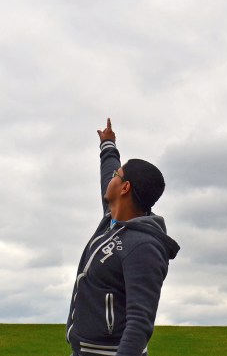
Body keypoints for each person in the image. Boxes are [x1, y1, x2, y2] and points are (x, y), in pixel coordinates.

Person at [66, 118, 180, 356]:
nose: (111, 179)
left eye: (117, 176)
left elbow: (140, 323)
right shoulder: (112, 221)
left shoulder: (144, 246)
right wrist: (108, 145)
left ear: (125, 188)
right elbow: (107, 172)